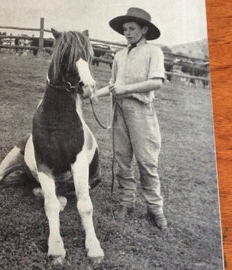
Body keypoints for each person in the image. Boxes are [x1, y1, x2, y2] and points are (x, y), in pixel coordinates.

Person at [93, 7, 167, 230]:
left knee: (147, 161)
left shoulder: (153, 52)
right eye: (125, 29)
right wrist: (94, 93)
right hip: (120, 112)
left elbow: (157, 82)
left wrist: (126, 89)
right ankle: (127, 202)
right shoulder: (119, 55)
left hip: (141, 112)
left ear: (144, 29)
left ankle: (155, 209)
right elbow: (114, 86)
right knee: (122, 159)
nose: (127, 32)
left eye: (132, 28)